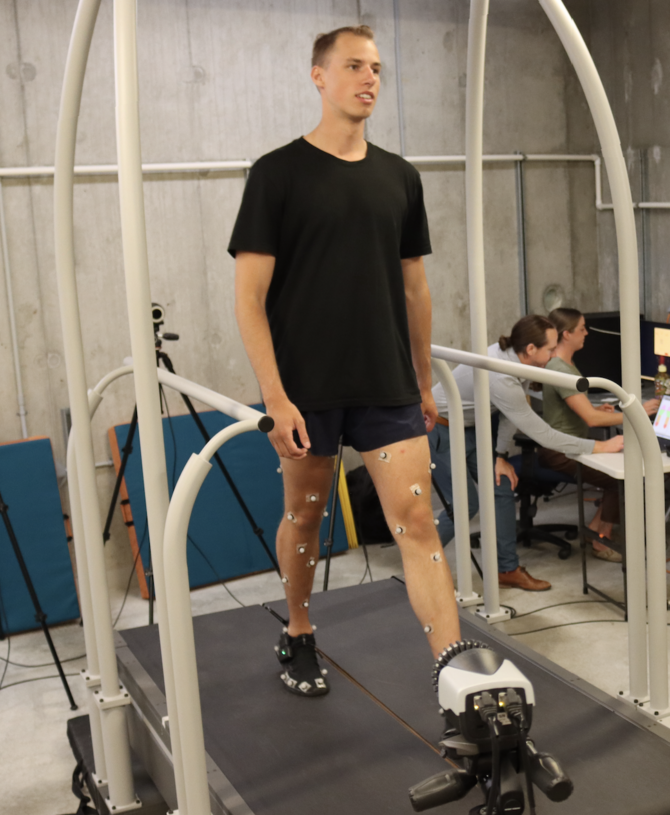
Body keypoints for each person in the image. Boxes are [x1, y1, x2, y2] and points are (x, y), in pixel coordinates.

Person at [230, 26, 460, 697]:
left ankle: (454, 674)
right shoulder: (277, 173)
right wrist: (274, 397)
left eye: (378, 69)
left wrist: (421, 380)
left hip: (386, 382)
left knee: (418, 521)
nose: (369, 79)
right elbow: (249, 299)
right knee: (306, 517)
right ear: (319, 76)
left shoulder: (399, 176)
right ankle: (299, 628)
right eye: (354, 66)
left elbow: (414, 287)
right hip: (307, 387)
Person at [429, 315, 625, 590]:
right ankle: (422, 565)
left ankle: (507, 569)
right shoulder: (499, 373)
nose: (555, 354)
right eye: (550, 349)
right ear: (531, 349)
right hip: (438, 430)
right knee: (463, 505)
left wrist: (499, 456)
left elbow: (510, 415)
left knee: (501, 488)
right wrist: (599, 446)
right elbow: (542, 434)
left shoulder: (519, 362)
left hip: (471, 429)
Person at [542, 308, 660, 560]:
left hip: (572, 442)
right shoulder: (561, 369)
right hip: (562, 450)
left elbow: (576, 408)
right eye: (582, 329)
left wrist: (593, 406)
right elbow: (592, 420)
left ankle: (595, 530)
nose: (587, 333)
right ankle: (600, 542)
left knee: (622, 470)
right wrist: (637, 413)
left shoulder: (566, 363)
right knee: (625, 477)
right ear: (566, 334)